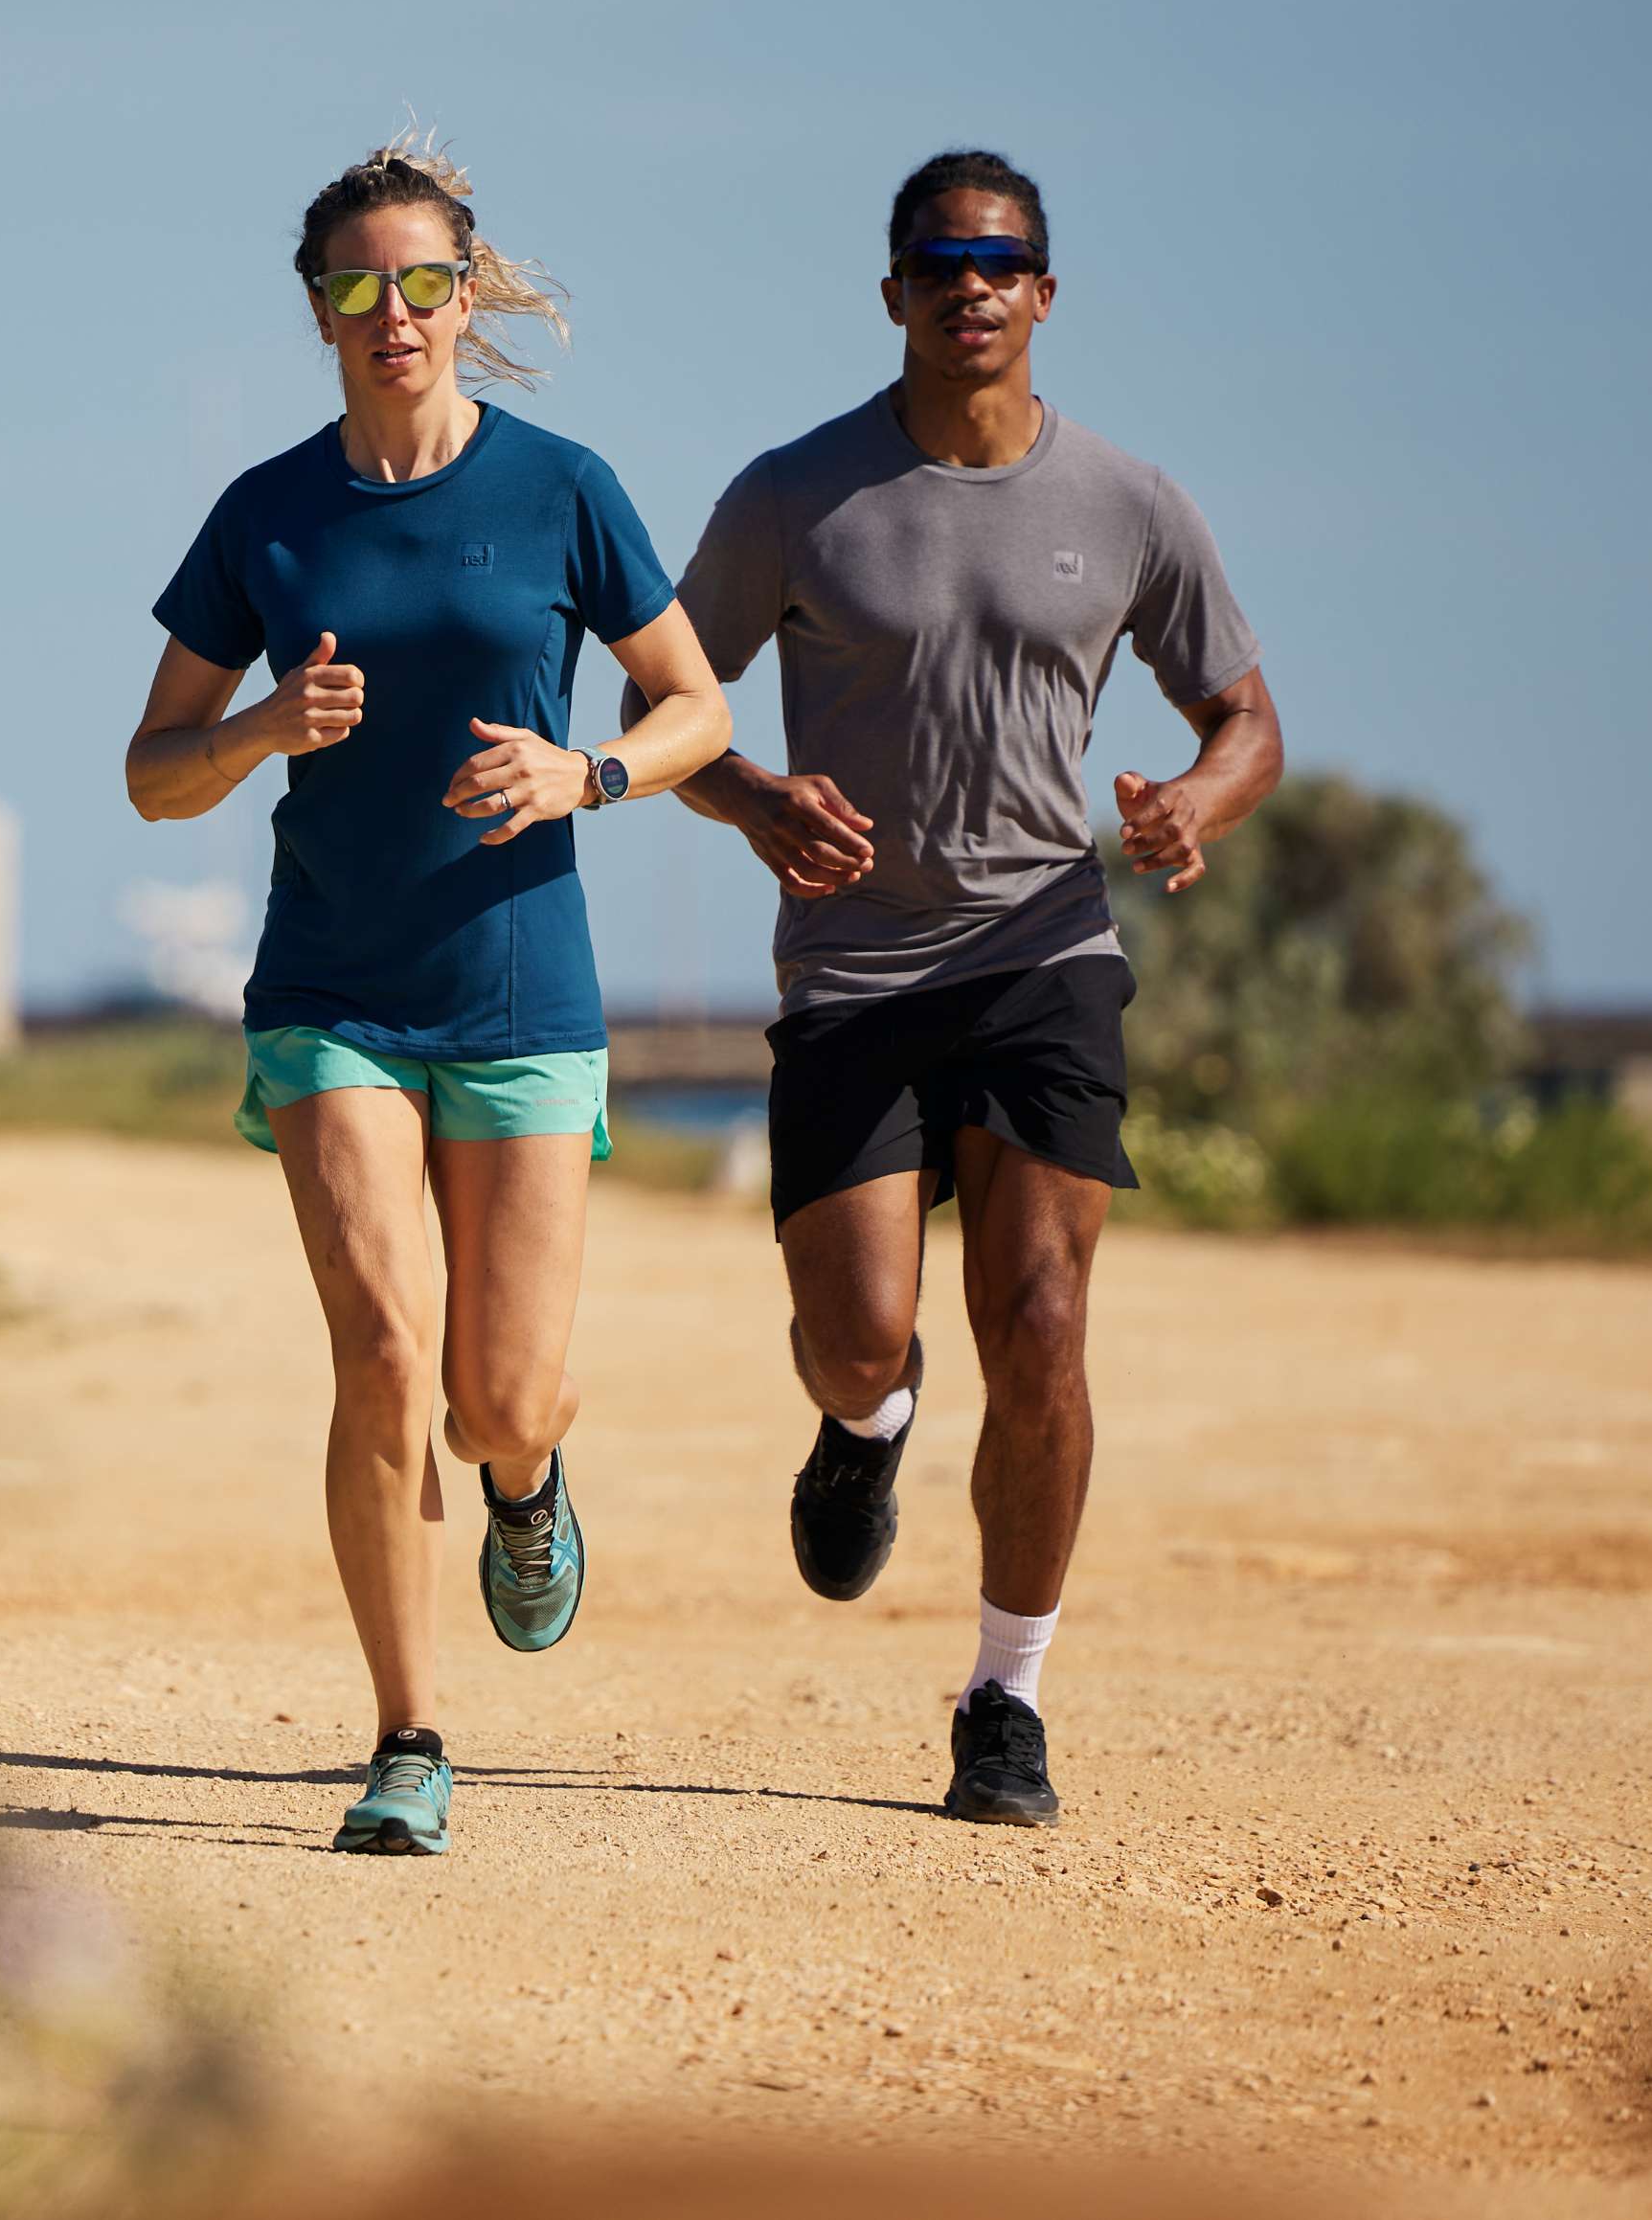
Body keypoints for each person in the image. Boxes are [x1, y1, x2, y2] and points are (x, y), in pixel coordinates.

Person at [628, 147, 1280, 1826]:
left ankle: (1007, 1697)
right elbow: (676, 705)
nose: (970, 285)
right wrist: (757, 798)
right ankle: (870, 1425)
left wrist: (1189, 807)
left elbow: (1246, 720)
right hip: (852, 971)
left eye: (1001, 261)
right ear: (896, 293)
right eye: (940, 260)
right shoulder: (798, 496)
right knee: (858, 1340)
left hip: (1043, 951)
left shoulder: (1131, 504)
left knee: (1046, 1321)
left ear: (1045, 294)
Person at [127, 134, 730, 1856]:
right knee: (385, 1351)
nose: (390, 313)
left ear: (469, 298)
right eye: (354, 285)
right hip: (331, 990)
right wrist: (259, 732)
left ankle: (527, 1490)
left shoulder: (562, 489)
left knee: (497, 1397)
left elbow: (699, 710)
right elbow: (151, 771)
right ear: (316, 309)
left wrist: (586, 775)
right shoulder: (267, 515)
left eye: (421, 282)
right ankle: (407, 1731)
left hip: (524, 990)